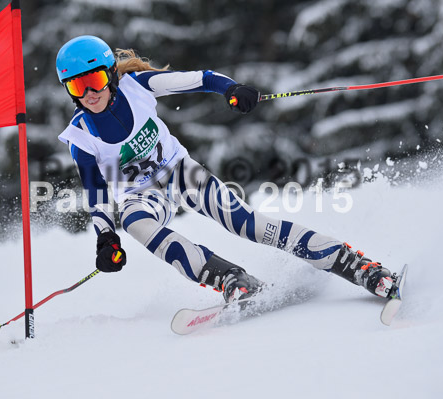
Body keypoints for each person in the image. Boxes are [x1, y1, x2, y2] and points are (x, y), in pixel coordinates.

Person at [55, 35, 397, 303]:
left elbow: (200, 79)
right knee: (133, 223)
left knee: (245, 223)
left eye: (95, 80)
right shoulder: (81, 134)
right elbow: (96, 192)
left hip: (177, 173)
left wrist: (231, 89)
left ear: (111, 75)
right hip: (138, 196)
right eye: (77, 86)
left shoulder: (139, 86)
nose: (89, 93)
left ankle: (353, 264)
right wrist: (105, 238)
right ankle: (231, 279)